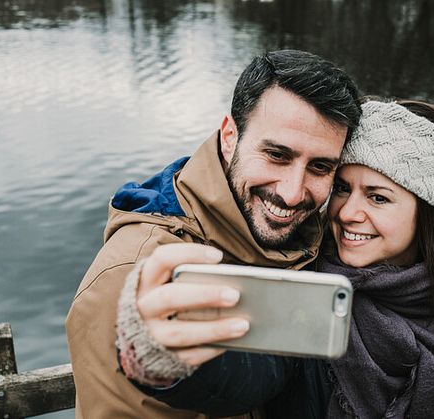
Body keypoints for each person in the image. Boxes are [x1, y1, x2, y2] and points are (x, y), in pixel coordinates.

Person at [116, 99, 434, 418]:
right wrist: (162, 359)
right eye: (342, 189)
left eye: (378, 197)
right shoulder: (310, 286)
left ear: (426, 214)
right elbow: (245, 380)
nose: (346, 212)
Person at [65, 49, 361, 418]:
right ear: (229, 137)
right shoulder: (136, 278)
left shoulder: (321, 238)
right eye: (277, 155)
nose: (292, 192)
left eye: (319, 167)